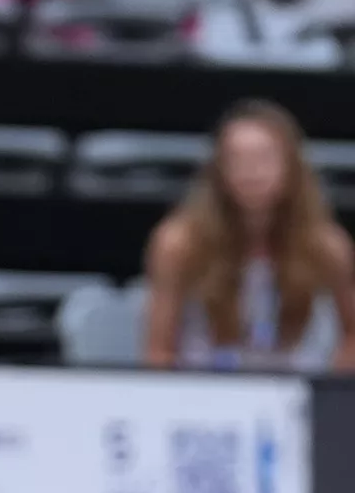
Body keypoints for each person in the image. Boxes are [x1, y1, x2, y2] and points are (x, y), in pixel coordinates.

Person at [144, 100, 355, 372]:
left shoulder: (326, 245)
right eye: (237, 160)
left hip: (295, 389)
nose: (251, 171)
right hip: (204, 391)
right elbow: (159, 350)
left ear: (291, 166)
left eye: (263, 158)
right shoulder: (179, 243)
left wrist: (333, 395)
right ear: (218, 170)